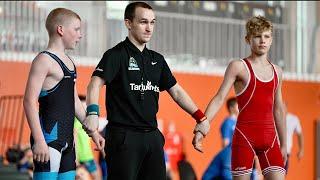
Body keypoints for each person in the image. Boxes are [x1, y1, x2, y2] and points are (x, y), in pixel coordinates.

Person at [84, 2, 209, 180]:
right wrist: (93, 113)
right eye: (143, 22)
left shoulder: (157, 60)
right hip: (124, 137)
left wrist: (200, 117)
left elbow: (177, 92)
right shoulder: (115, 55)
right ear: (128, 23)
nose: (149, 28)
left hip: (152, 138)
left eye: (152, 22)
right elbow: (94, 84)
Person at [193, 15, 287, 180]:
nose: (262, 41)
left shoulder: (277, 71)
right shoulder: (238, 67)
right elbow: (219, 97)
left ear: (271, 40)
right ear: (248, 39)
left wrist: (284, 143)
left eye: (266, 36)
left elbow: (278, 108)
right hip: (244, 138)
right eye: (257, 36)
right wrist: (202, 127)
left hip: (270, 139)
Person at [23, 8, 104, 180]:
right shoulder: (44, 60)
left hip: (68, 142)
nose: (80, 35)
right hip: (49, 140)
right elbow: (29, 101)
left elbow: (74, 102)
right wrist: (39, 140)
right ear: (60, 30)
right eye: (76, 29)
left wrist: (93, 132)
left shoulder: (70, 63)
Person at [74, 95, 100, 180]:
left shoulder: (87, 121)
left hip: (88, 156)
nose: (84, 108)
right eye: (83, 106)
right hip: (82, 157)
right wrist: (76, 157)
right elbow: (74, 138)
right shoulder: (77, 121)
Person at [283, 102, 304, 173]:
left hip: (286, 152)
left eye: (283, 106)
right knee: (270, 174)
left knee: (282, 174)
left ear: (286, 107)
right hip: (273, 151)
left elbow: (300, 134)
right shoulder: (273, 117)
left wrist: (301, 149)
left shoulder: (293, 119)